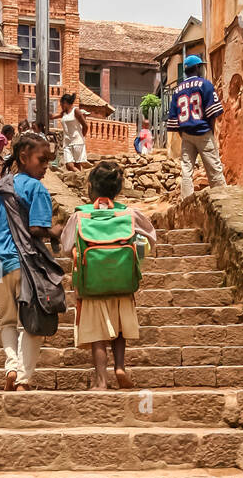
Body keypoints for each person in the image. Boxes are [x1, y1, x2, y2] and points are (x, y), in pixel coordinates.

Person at [0, 131, 62, 392]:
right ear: (24, 156)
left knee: (7, 321)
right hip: (23, 261)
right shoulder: (36, 188)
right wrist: (54, 231)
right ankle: (23, 378)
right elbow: (36, 228)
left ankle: (10, 365)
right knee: (33, 322)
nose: (46, 166)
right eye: (42, 160)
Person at [61, 160, 157, 390]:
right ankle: (120, 367)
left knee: (98, 336)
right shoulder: (129, 213)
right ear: (118, 189)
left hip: (91, 285)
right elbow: (151, 238)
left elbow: (66, 246)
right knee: (120, 329)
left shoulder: (81, 216)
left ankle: (101, 381)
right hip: (123, 282)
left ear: (91, 187)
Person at [166, 54, 227, 200]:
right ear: (198, 68)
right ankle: (222, 199)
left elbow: (174, 119)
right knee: (214, 168)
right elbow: (212, 113)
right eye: (201, 66)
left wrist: (184, 134)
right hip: (203, 131)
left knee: (187, 170)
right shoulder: (205, 84)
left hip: (186, 134)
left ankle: (186, 201)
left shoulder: (177, 90)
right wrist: (210, 131)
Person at [59, 92, 89, 170]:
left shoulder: (76, 111)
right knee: (69, 165)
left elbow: (85, 126)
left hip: (77, 142)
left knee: (76, 164)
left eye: (61, 104)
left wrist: (81, 136)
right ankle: (80, 176)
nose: (61, 106)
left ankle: (80, 179)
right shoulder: (64, 113)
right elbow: (52, 116)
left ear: (65, 103)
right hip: (67, 142)